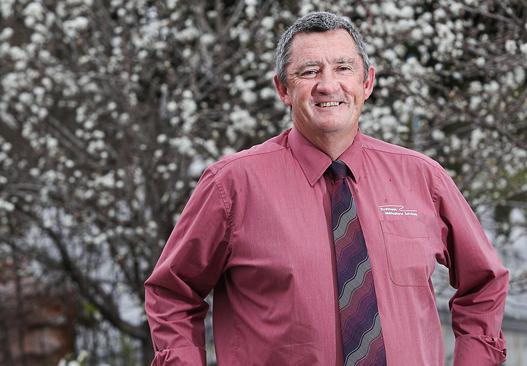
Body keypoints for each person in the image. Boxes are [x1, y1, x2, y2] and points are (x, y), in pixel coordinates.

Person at [144, 11, 508, 366]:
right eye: (309, 71)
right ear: (283, 89)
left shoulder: (423, 178)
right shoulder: (232, 185)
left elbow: (485, 283)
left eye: (343, 68)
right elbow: (172, 293)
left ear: (367, 83)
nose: (328, 85)